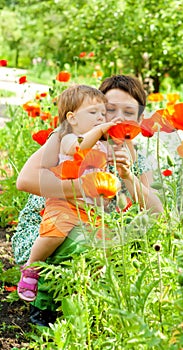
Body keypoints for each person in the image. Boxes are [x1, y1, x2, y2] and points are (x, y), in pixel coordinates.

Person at [13, 74, 163, 326]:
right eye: (109, 110)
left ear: (139, 120)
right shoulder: (69, 138)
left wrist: (127, 175)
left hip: (94, 226)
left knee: (130, 245)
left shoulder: (136, 157)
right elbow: (24, 180)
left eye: (128, 112)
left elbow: (157, 211)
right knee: (84, 242)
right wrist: (83, 187)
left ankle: (91, 305)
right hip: (49, 228)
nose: (117, 118)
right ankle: (46, 309)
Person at [17, 84, 121, 302]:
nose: (100, 118)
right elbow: (79, 148)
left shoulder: (101, 146)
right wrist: (101, 130)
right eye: (93, 113)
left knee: (105, 242)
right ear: (72, 118)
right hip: (64, 204)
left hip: (90, 209)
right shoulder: (67, 139)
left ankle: (95, 286)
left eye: (103, 113)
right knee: (55, 232)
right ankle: (31, 267)